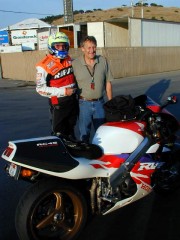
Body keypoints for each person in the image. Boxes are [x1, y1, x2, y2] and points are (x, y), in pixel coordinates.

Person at [35, 31, 78, 139]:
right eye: (58, 46)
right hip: (58, 102)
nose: (62, 48)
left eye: (64, 46)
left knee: (70, 128)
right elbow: (40, 89)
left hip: (72, 100)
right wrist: (63, 92)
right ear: (51, 46)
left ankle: (72, 151)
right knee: (59, 132)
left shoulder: (69, 60)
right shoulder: (43, 65)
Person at [72, 35, 113, 143]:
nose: (92, 50)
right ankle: (85, 156)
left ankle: (100, 157)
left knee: (102, 134)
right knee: (84, 134)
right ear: (82, 49)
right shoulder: (75, 64)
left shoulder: (103, 61)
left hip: (100, 103)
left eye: (94, 47)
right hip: (83, 104)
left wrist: (111, 102)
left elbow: (108, 83)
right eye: (89, 47)